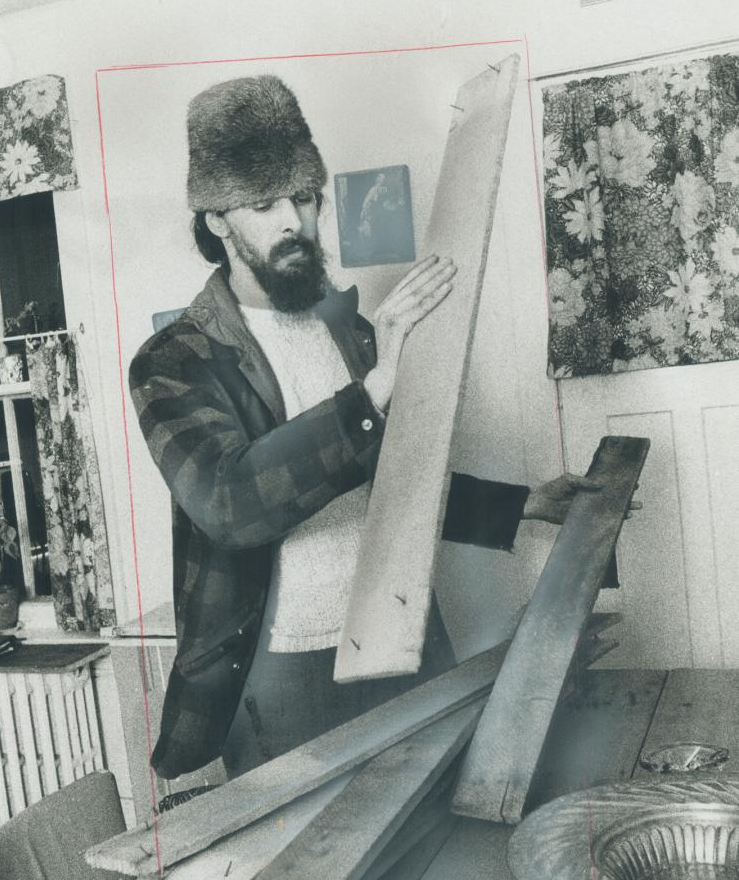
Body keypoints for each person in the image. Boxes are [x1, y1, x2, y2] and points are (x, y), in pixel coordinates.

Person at [129, 75, 605, 780]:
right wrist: (375, 388)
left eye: (303, 195)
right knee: (302, 869)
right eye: (263, 203)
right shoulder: (172, 363)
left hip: (401, 636)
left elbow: (394, 480)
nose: (294, 220)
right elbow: (232, 506)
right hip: (281, 671)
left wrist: (523, 504)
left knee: (433, 837)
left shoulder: (349, 331)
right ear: (217, 222)